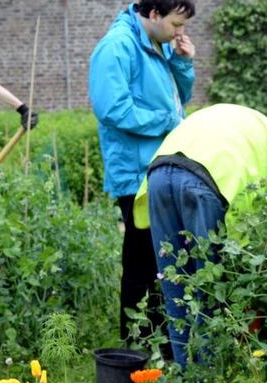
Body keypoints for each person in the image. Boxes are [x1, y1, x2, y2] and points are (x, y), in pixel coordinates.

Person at [132, 103, 267, 367]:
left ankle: (184, 376)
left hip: (158, 174)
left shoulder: (245, 123)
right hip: (203, 179)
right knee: (209, 288)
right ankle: (209, 376)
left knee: (174, 281)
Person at [88, 0, 196, 351]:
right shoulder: (117, 47)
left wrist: (182, 63)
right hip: (136, 174)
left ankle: (158, 343)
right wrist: (165, 122)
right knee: (141, 261)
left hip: (159, 169)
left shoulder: (157, 44)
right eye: (176, 24)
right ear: (153, 15)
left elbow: (178, 100)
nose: (180, 32)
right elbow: (112, 109)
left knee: (161, 257)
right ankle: (137, 347)